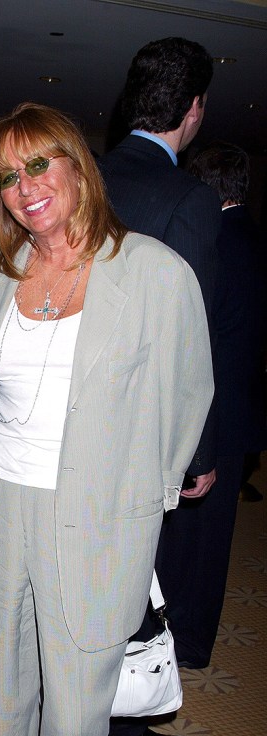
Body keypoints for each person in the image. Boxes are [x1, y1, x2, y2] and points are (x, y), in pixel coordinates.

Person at [0, 103, 213, 736]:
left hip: (98, 520)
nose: (24, 189)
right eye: (5, 177)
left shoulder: (154, 272)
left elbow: (187, 399)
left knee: (74, 720)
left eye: (38, 167)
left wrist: (143, 503)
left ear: (75, 165)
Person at [99, 37, 222, 736]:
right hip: (141, 432)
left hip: (64, 415)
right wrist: (197, 453)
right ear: (195, 110)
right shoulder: (188, 199)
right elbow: (191, 339)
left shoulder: (78, 178)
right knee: (133, 576)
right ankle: (121, 721)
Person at [182, 142, 266, 663]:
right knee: (214, 542)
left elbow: (198, 341)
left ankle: (180, 641)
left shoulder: (210, 242)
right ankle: (195, 641)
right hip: (243, 409)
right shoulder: (257, 241)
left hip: (208, 414)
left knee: (190, 539)